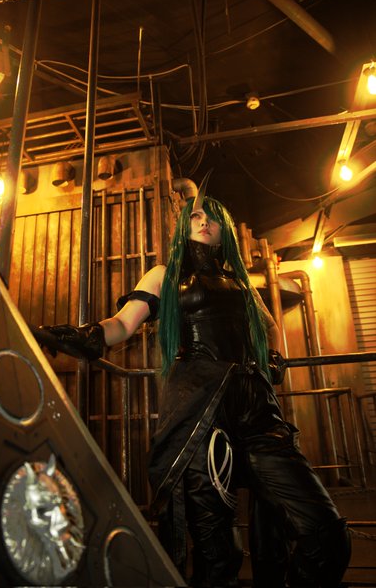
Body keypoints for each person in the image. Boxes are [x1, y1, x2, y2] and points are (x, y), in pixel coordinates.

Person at [40, 180, 351, 587]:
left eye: (213, 219)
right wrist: (84, 335)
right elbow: (123, 323)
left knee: (326, 533)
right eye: (196, 217)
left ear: (225, 232)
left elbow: (270, 327)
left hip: (257, 410)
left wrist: (273, 357)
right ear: (184, 227)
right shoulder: (164, 275)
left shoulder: (241, 283)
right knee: (216, 551)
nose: (204, 223)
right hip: (202, 412)